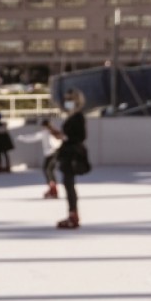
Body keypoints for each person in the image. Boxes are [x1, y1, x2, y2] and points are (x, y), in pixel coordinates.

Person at [56, 89, 89, 229]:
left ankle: (73, 214)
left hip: (72, 154)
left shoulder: (78, 117)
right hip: (67, 153)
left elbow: (80, 136)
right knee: (67, 184)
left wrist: (66, 138)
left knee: (69, 184)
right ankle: (72, 213)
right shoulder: (71, 116)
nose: (67, 103)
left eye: (69, 100)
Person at [18, 118, 63, 199]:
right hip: (55, 154)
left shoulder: (46, 133)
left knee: (47, 170)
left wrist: (23, 138)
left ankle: (53, 189)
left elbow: (33, 137)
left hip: (51, 154)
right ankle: (53, 188)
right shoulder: (53, 132)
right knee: (50, 170)